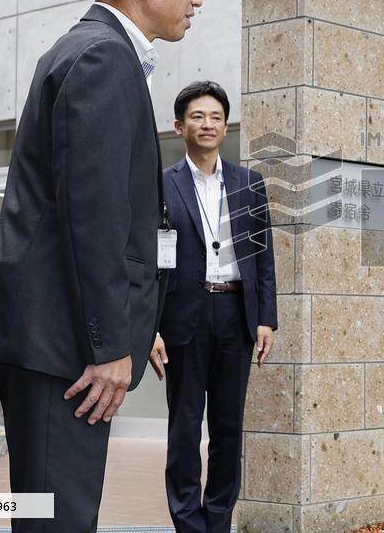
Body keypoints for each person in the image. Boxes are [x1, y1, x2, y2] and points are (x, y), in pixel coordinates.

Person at [0, 0, 202, 532]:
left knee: (50, 513)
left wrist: (133, 321)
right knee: (57, 521)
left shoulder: (89, 51)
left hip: (56, 334)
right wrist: (106, 346)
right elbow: (92, 217)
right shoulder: (101, 58)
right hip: (60, 343)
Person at [148, 81, 278, 532]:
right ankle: (188, 522)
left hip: (233, 315)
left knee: (227, 428)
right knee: (184, 428)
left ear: (226, 126)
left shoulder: (249, 184)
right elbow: (147, 262)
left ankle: (218, 519)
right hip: (183, 317)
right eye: (198, 117)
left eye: (216, 117)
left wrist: (265, 320)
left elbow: (263, 256)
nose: (208, 124)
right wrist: (149, 328)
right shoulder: (160, 184)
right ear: (179, 126)